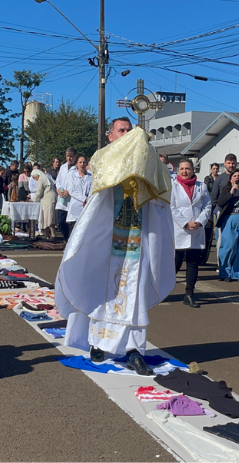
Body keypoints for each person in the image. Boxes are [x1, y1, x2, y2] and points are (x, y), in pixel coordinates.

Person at [56, 119, 175, 376]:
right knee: (102, 287)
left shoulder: (150, 160)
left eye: (130, 131)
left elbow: (163, 189)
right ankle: (97, 341)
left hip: (138, 239)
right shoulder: (103, 158)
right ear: (110, 136)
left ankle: (134, 350)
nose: (127, 135)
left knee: (134, 293)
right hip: (107, 237)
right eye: (122, 131)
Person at [170, 159, 211, 308]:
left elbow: (207, 205)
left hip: (196, 230)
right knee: (175, 263)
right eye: (181, 168)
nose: (184, 171)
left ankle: (189, 294)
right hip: (180, 230)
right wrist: (186, 223)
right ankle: (161, 292)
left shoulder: (202, 186)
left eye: (187, 168)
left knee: (193, 264)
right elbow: (171, 207)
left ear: (193, 170)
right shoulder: (173, 186)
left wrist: (200, 222)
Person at [216, 169, 239, 282]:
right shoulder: (226, 189)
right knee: (228, 246)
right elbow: (220, 202)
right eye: (235, 176)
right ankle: (224, 273)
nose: (237, 178)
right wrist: (231, 192)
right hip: (230, 219)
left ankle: (236, 273)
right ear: (231, 178)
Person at [54, 147, 77, 240]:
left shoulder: (77, 169)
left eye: (71, 156)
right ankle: (67, 239)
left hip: (72, 199)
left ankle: (71, 241)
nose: (69, 158)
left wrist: (69, 191)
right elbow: (58, 180)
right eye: (67, 156)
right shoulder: (63, 167)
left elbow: (78, 184)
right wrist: (58, 189)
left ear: (75, 156)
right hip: (62, 200)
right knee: (61, 222)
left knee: (72, 223)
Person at [66, 156, 92, 235]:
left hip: (87, 204)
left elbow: (92, 189)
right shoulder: (72, 176)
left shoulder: (91, 176)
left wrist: (88, 199)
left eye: (84, 162)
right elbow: (71, 190)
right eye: (80, 162)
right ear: (77, 164)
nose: (82, 164)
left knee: (84, 228)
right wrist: (84, 199)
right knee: (74, 229)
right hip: (76, 204)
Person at [31, 168, 57, 238]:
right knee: (48, 217)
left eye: (34, 177)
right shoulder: (47, 178)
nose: (34, 179)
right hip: (52, 198)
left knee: (48, 218)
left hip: (48, 200)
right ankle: (47, 234)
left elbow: (39, 192)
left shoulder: (41, 179)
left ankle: (52, 235)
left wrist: (32, 199)